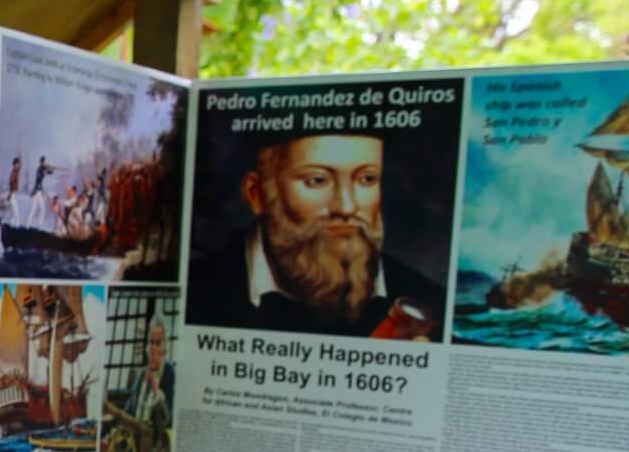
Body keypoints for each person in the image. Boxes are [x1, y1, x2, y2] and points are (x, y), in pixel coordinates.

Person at [186, 133, 445, 338]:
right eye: (317, 180)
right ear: (257, 194)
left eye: (366, 178)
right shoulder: (194, 292)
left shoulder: (432, 304)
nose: (346, 207)